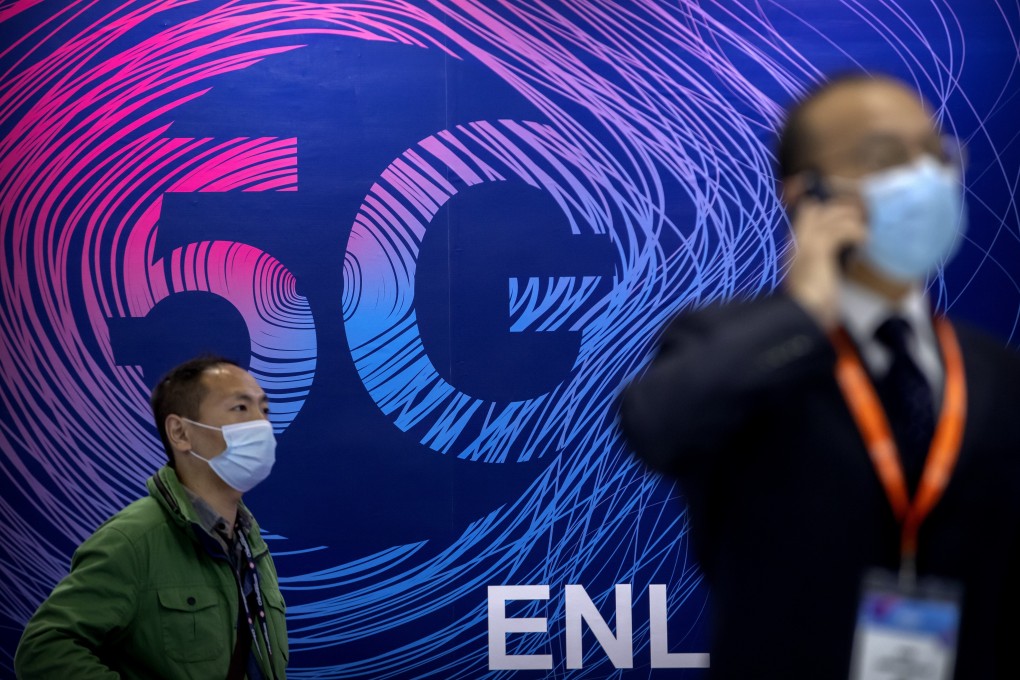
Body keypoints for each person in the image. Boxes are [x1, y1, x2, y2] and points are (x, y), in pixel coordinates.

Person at [620, 74, 1020, 678]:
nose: (925, 177)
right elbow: (656, 427)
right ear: (808, 195)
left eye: (935, 155)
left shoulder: (994, 370)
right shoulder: (733, 343)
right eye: (885, 158)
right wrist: (805, 311)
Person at [15, 356, 288, 678]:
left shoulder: (248, 540)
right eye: (240, 409)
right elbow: (44, 648)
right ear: (180, 432)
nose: (262, 424)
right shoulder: (134, 539)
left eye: (264, 409)